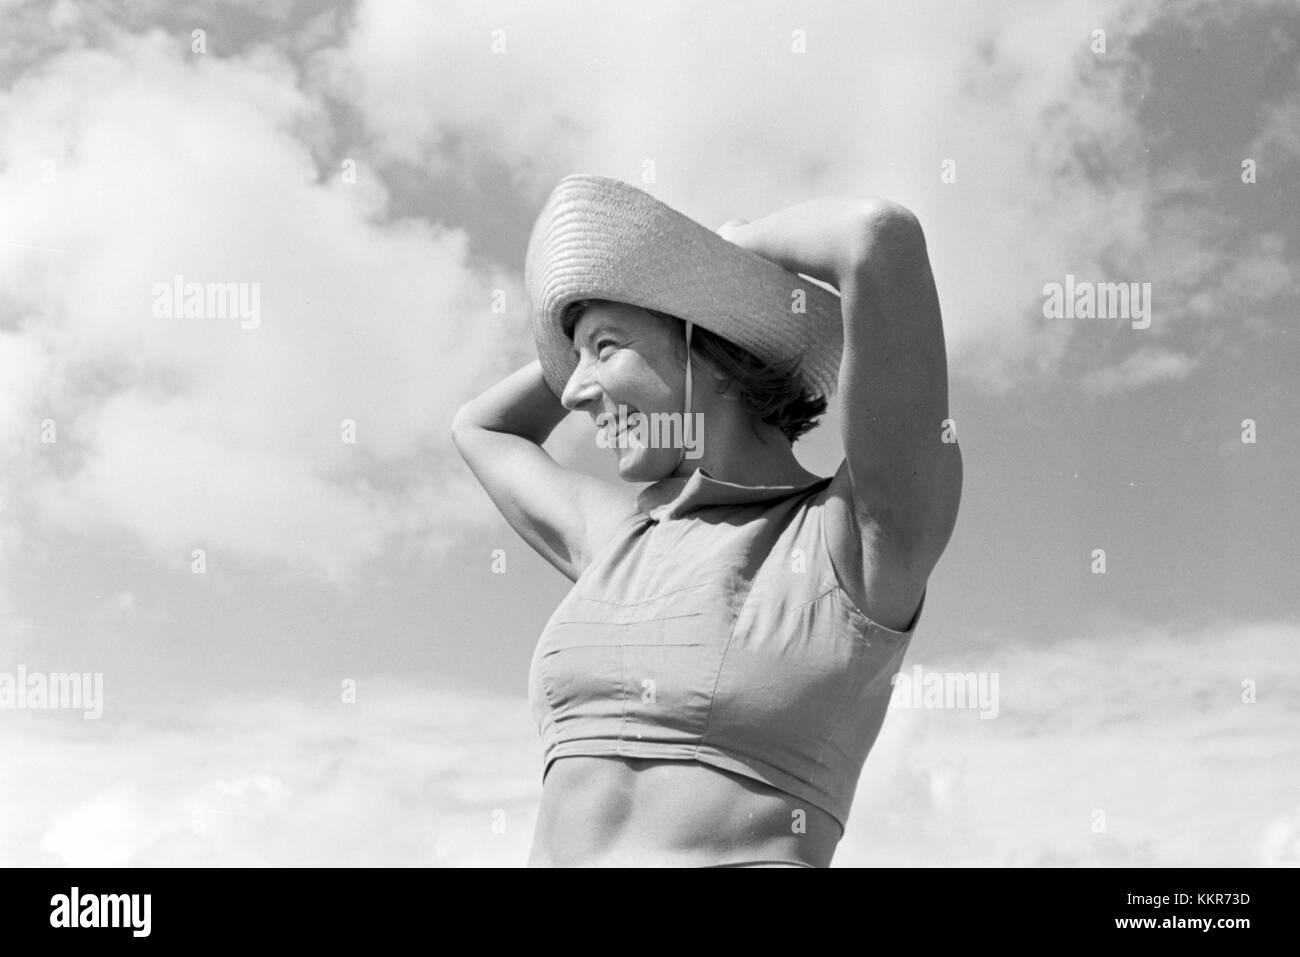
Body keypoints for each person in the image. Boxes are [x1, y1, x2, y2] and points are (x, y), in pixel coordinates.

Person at [451, 174, 962, 866]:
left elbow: (877, 237)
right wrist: (598, 334)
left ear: (709, 346)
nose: (573, 392)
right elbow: (480, 428)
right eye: (572, 363)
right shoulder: (622, 540)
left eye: (605, 347)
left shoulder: (854, 538)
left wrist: (721, 263)